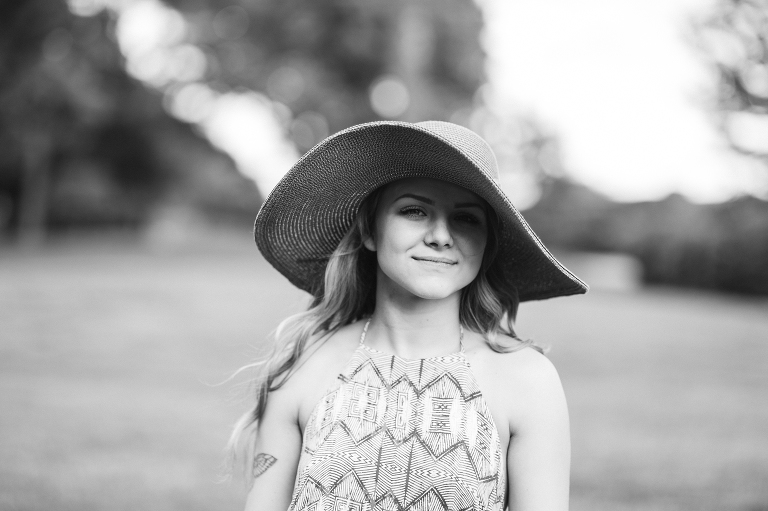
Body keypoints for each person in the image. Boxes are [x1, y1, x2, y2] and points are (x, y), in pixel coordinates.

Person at [232, 120, 588, 511]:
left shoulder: (526, 381)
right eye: (415, 211)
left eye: (467, 218)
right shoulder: (306, 366)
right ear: (370, 230)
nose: (440, 235)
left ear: (487, 245)